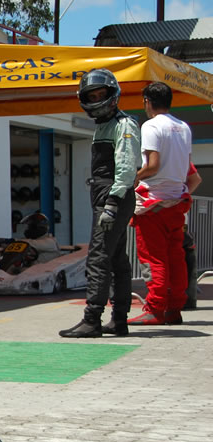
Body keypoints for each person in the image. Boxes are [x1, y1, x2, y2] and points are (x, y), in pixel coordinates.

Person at [60, 69, 140, 338]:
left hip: (112, 197)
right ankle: (119, 320)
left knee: (98, 257)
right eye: (91, 96)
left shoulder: (123, 124)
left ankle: (92, 319)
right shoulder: (104, 126)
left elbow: (127, 167)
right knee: (116, 258)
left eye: (100, 95)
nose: (96, 99)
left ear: (112, 94)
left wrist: (113, 203)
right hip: (106, 195)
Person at [128, 82, 193, 326]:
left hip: (153, 202)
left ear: (147, 101)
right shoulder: (183, 127)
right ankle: (174, 309)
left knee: (154, 258)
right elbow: (188, 167)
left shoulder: (151, 125)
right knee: (175, 257)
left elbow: (153, 165)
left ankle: (154, 309)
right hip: (177, 200)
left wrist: (135, 176)